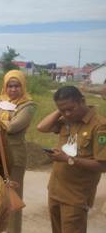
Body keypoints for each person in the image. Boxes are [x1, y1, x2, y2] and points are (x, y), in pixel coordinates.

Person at [37, 86, 106, 233]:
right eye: (63, 110)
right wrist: (61, 110)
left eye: (71, 108)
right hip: (55, 190)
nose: (67, 113)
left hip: (76, 196)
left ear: (82, 101)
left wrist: (68, 159)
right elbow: (41, 127)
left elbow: (102, 165)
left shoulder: (100, 126)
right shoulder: (67, 119)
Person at [0, 70, 36, 233]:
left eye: (17, 85)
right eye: (10, 86)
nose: (13, 89)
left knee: (12, 198)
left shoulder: (29, 105)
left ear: (22, 86)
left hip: (14, 155)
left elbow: (13, 127)